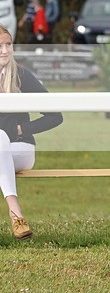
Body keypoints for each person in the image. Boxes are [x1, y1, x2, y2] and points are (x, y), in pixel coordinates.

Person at [0, 25, 63, 239]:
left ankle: (15, 213)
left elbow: (56, 116)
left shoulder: (22, 75)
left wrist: (22, 128)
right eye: (0, 45)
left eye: (8, 44)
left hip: (21, 149)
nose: (5, 50)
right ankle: (16, 216)